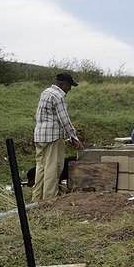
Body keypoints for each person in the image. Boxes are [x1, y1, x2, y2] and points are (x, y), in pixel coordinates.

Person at [33, 72, 84, 202]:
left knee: (41, 167)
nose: (70, 89)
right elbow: (64, 119)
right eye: (70, 86)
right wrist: (74, 137)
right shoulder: (59, 95)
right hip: (53, 137)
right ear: (64, 84)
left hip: (39, 136)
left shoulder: (45, 92)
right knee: (53, 168)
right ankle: (49, 199)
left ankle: (36, 199)